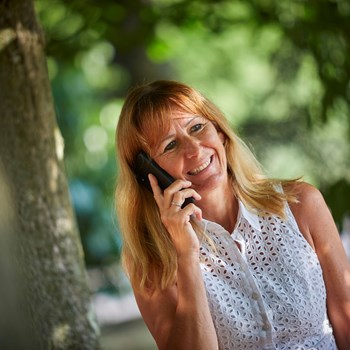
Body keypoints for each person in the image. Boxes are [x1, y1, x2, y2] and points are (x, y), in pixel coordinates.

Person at [115, 80, 350, 350]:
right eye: (170, 145)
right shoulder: (150, 260)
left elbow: (346, 322)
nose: (194, 149)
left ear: (220, 132)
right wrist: (186, 255)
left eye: (197, 127)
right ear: (148, 174)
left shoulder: (302, 204)